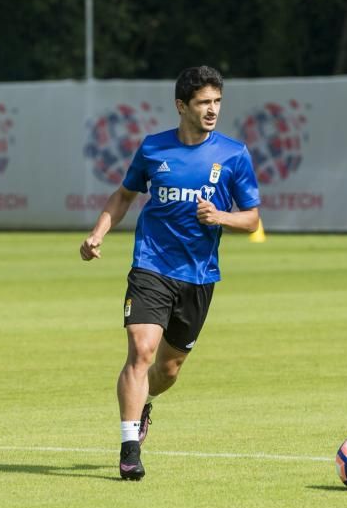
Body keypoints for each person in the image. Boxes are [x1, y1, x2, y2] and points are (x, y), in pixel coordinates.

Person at [80, 65, 260, 481]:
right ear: (182, 106)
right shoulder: (153, 149)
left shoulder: (234, 154)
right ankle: (129, 450)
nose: (212, 110)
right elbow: (125, 194)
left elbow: (251, 220)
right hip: (151, 265)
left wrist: (221, 217)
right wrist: (98, 233)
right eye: (203, 103)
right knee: (141, 351)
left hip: (198, 276)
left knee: (167, 370)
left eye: (217, 102)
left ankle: (143, 402)